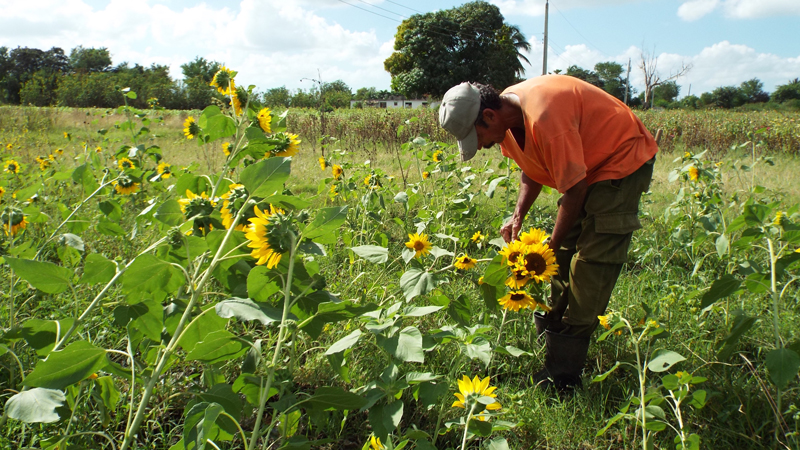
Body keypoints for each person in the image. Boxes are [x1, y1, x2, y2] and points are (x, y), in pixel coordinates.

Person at [438, 75, 658, 388]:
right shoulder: (508, 119)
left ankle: (563, 378)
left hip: (618, 157)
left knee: (591, 263)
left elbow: (575, 188)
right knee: (560, 259)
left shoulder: (544, 116)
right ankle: (554, 346)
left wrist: (548, 250)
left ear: (489, 116)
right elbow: (532, 167)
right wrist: (517, 217)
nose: (483, 146)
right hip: (585, 168)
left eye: (479, 137)